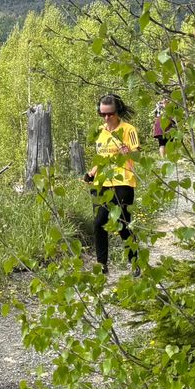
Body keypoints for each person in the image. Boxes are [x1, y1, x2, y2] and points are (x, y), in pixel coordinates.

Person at [85, 93, 141, 275]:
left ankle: (135, 262)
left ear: (118, 111)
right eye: (102, 114)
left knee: (122, 223)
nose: (106, 118)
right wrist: (91, 173)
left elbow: (137, 156)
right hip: (102, 182)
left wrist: (127, 152)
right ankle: (102, 264)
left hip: (123, 181)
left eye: (110, 114)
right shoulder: (100, 132)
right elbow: (101, 157)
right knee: (98, 222)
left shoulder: (128, 129)